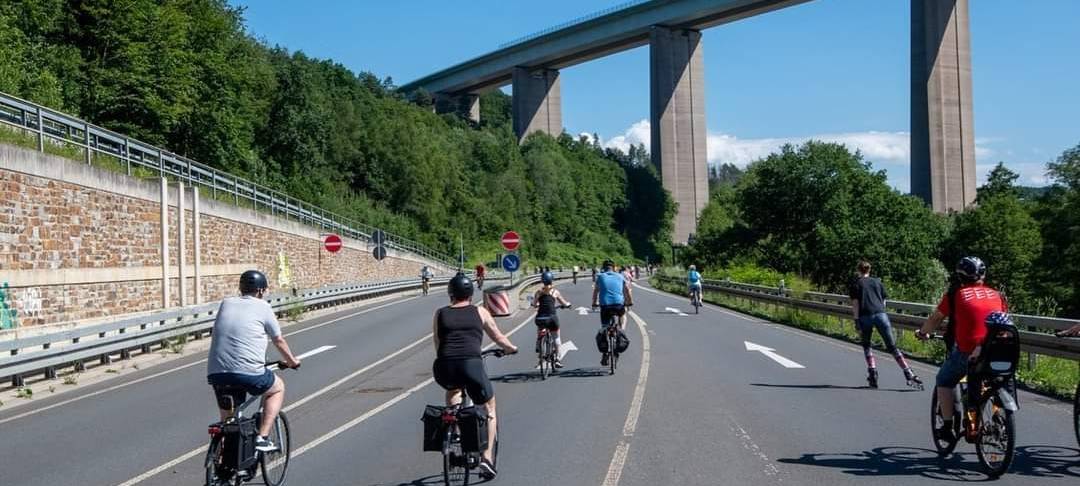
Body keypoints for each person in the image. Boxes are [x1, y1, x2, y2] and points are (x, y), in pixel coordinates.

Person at [432, 273, 518, 480]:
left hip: (444, 366)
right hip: (471, 365)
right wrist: (511, 348)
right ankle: (486, 460)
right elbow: (497, 336)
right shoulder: (480, 312)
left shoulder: (440, 313)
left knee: (453, 392)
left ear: (450, 294)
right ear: (471, 293)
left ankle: (456, 427)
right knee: (489, 406)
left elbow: (438, 343)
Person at [207, 270, 301, 452]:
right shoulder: (263, 307)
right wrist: (292, 361)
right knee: (277, 388)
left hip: (217, 372)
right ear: (260, 291)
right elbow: (278, 340)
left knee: (228, 422)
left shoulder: (226, 303)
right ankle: (262, 437)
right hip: (249, 372)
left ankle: (221, 468)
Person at [917, 256, 1007, 443]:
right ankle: (997, 416)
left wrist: (923, 333)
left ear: (960, 276)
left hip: (969, 352)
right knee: (993, 379)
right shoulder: (997, 295)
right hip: (999, 350)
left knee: (944, 379)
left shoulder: (955, 295)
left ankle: (948, 427)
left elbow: (935, 319)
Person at [848, 260, 920, 388]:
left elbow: (855, 304)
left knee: (867, 345)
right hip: (881, 314)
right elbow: (884, 300)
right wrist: (882, 312)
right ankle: (908, 371)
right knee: (892, 347)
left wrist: (856, 321)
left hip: (865, 315)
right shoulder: (877, 282)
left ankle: (873, 372)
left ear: (858, 270)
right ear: (869, 270)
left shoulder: (856, 284)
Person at [592, 259, 633, 366]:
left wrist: (594, 303)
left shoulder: (600, 276)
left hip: (605, 306)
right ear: (614, 267)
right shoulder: (620, 276)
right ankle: (622, 331)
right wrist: (629, 302)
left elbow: (596, 291)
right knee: (623, 315)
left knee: (605, 326)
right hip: (618, 305)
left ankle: (605, 353)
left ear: (603, 268)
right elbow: (627, 291)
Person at [532, 271, 572, 368]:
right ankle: (558, 359)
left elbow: (534, 304)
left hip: (540, 318)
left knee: (540, 328)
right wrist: (567, 305)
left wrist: (535, 304)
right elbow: (564, 303)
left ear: (542, 281)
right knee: (556, 337)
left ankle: (539, 344)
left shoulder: (538, 292)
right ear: (552, 280)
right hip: (551, 318)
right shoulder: (555, 292)